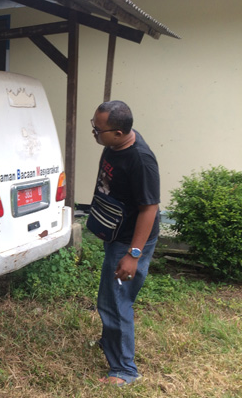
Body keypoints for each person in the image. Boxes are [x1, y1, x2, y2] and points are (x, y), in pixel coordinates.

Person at [89, 100, 160, 386]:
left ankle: (125, 370)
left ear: (118, 133)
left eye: (98, 130)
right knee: (110, 297)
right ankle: (111, 343)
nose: (94, 133)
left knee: (115, 303)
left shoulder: (140, 160)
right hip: (117, 231)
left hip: (132, 239)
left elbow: (150, 208)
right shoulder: (116, 143)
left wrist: (133, 254)